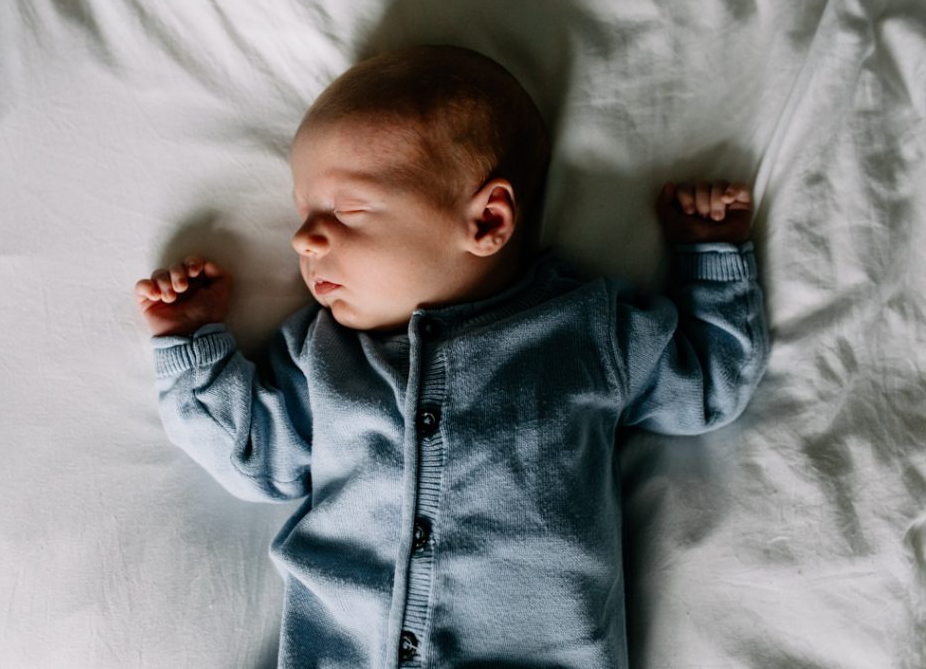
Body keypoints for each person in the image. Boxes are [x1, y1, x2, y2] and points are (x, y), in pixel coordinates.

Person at [134, 44, 769, 668]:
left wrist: (711, 259)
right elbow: (254, 456)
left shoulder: (584, 331)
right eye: (303, 214)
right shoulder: (323, 356)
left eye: (348, 210)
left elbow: (705, 385)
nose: (304, 239)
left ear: (488, 221)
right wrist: (192, 344)